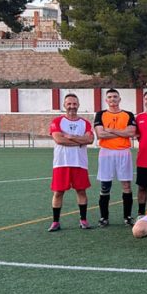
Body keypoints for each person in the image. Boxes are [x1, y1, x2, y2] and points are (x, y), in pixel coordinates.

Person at [48, 93, 93, 231]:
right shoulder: (57, 121)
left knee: (81, 191)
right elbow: (59, 140)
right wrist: (80, 141)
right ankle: (56, 222)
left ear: (78, 105)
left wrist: (71, 136)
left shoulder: (85, 123)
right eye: (69, 104)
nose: (72, 106)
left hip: (80, 163)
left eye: (74, 104)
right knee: (58, 192)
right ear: (64, 105)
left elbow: (90, 140)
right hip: (61, 163)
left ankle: (83, 220)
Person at [94, 88, 137, 227]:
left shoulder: (128, 114)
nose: (112, 99)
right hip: (106, 152)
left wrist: (110, 130)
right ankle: (104, 217)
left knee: (126, 185)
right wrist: (122, 133)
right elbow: (100, 134)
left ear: (119, 99)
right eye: (110, 97)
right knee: (105, 185)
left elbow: (131, 132)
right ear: (106, 100)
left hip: (123, 152)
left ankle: (127, 217)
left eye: (115, 97)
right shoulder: (100, 114)